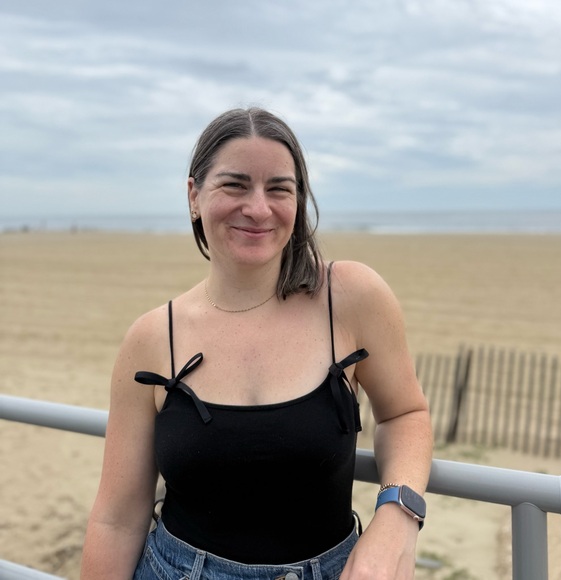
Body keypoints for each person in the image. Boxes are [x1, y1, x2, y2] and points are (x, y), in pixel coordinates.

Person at [81, 107, 433, 580]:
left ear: (299, 201)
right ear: (194, 196)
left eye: (279, 189)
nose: (259, 208)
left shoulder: (350, 297)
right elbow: (117, 519)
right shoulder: (152, 338)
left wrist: (396, 517)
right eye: (235, 185)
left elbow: (405, 414)